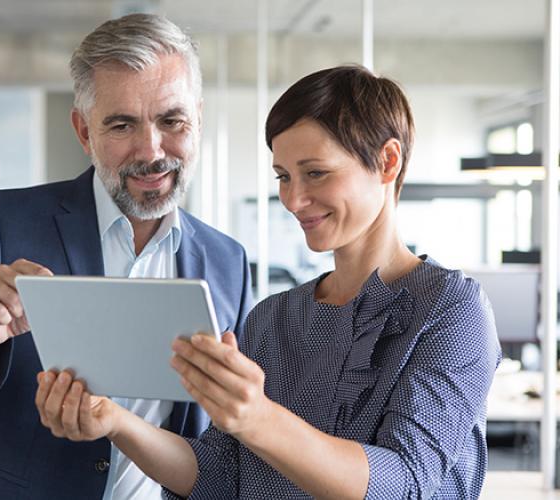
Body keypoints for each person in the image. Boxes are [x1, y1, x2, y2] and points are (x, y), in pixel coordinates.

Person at [35, 65, 501, 499]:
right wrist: (115, 421)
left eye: (315, 172)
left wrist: (257, 418)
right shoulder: (274, 316)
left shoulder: (450, 309)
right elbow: (217, 474)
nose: (294, 199)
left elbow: (405, 481)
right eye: (283, 176)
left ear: (388, 161)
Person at [0, 13, 253, 500]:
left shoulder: (227, 260)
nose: (152, 150)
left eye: (172, 121)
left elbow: (220, 443)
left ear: (198, 121)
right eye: (122, 124)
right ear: (84, 132)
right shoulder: (3, 222)